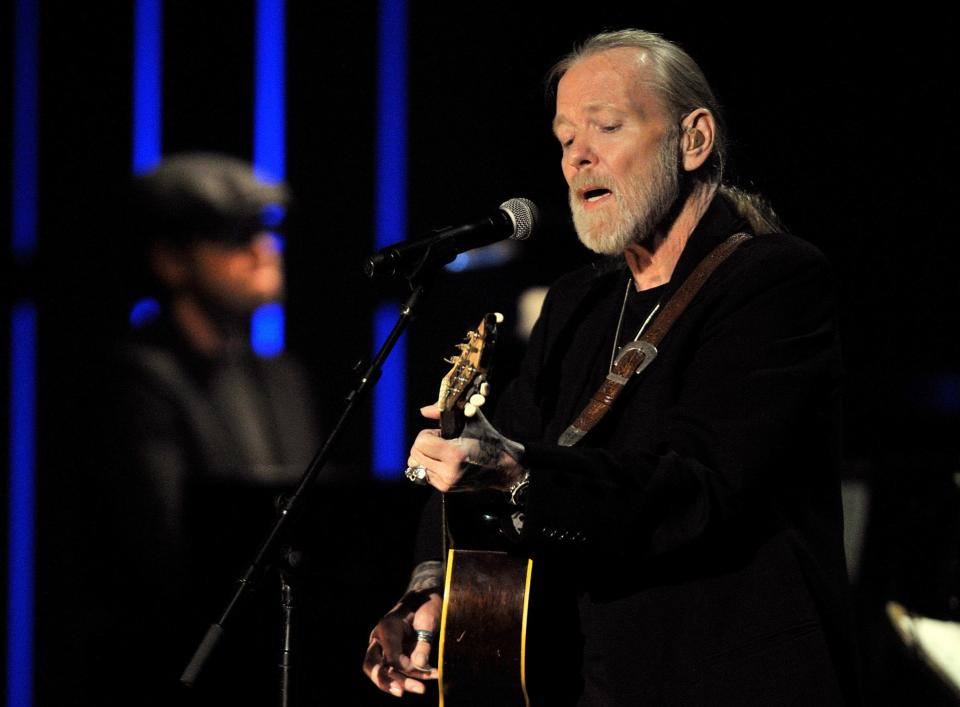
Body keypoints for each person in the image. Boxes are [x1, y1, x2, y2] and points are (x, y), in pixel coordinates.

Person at [363, 29, 860, 706]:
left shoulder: (772, 282)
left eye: (607, 127)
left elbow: (700, 484)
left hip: (725, 673)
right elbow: (493, 450)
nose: (578, 157)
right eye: (566, 137)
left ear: (694, 140)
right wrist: (430, 587)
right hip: (588, 678)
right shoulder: (579, 302)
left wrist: (518, 471)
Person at [92, 153, 320, 704]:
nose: (261, 250)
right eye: (231, 236)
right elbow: (166, 553)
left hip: (279, 654)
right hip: (180, 662)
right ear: (172, 261)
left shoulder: (283, 377)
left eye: (262, 232)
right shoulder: (140, 380)